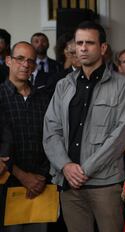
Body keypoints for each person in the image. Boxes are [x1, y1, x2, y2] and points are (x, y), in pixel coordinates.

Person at [43, 21, 125, 232]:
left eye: (90, 43)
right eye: (79, 43)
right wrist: (66, 166)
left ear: (103, 48)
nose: (83, 48)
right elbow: (51, 130)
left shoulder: (123, 85)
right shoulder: (63, 85)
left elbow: (120, 136)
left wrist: (84, 170)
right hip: (68, 183)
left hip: (105, 184)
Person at [0, 41, 51, 232]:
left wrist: (41, 177)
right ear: (8, 61)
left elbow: (52, 138)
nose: (25, 64)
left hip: (40, 184)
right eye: (20, 58)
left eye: (31, 60)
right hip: (7, 185)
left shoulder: (44, 98)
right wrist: (23, 176)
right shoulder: (0, 96)